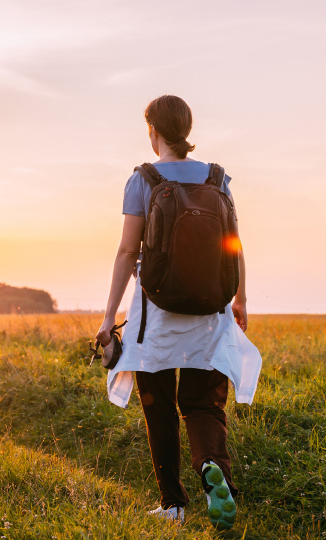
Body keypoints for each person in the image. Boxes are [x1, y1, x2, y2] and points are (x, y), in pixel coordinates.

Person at [94, 95, 261, 530]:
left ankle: (172, 504)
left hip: (157, 317)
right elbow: (234, 245)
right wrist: (240, 299)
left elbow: (128, 250)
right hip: (211, 313)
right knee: (204, 405)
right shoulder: (217, 178)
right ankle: (213, 468)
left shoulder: (143, 179)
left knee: (159, 406)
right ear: (186, 128)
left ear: (153, 131)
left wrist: (107, 318)